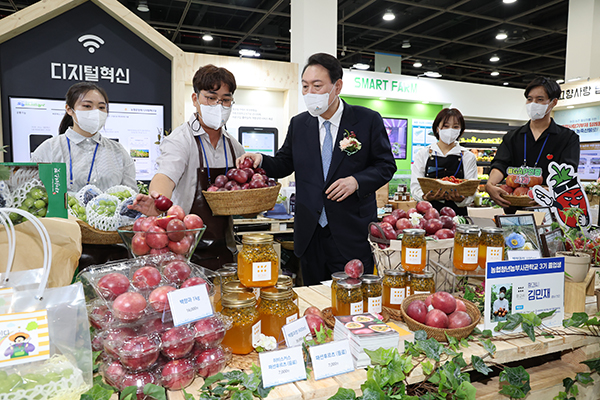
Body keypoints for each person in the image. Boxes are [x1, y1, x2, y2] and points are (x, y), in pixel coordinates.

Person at [237, 53, 396, 285]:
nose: (310, 93)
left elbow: (385, 165)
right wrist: (260, 159)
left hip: (351, 233)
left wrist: (357, 181)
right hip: (310, 234)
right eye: (305, 86)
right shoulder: (300, 124)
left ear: (337, 86)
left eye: (317, 86)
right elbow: (284, 162)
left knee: (351, 302)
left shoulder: (366, 120)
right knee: (313, 299)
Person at [131, 64, 245, 270]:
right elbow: (165, 176)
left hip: (223, 248)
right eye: (211, 98)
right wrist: (158, 200)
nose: (219, 105)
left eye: (226, 100)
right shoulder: (181, 140)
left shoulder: (233, 145)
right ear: (195, 99)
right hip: (183, 247)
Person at [486, 77, 580, 210]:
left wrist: (551, 191)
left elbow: (568, 171)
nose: (533, 103)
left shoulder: (567, 138)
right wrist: (491, 184)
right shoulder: (513, 137)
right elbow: (500, 164)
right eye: (530, 99)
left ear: (553, 102)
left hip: (549, 209)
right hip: (513, 207)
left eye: (540, 99)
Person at [31, 82, 136, 192]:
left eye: (101, 107)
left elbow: (131, 195)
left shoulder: (118, 151)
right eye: (87, 106)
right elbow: (34, 193)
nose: (96, 112)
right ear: (69, 109)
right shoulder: (49, 149)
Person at [410, 108, 478, 216]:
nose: (450, 130)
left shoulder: (468, 157)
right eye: (445, 126)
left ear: (461, 130)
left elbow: (472, 190)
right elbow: (415, 186)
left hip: (458, 215)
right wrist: (425, 197)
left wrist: (460, 200)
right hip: (429, 215)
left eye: (455, 126)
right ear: (437, 128)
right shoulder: (423, 154)